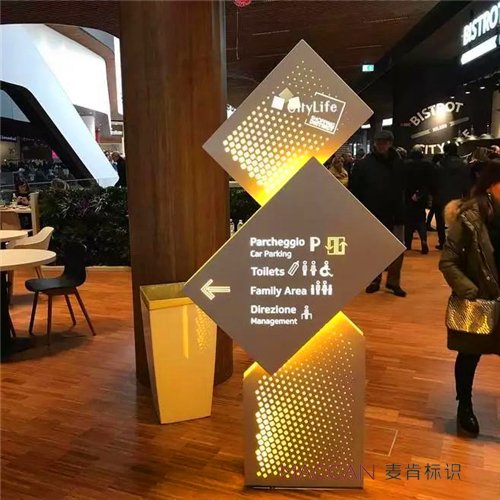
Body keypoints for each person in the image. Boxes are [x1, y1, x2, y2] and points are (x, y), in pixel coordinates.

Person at [439, 159, 500, 437]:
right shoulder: (470, 216)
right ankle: (464, 405)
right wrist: (469, 291)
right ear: (491, 184)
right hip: (480, 299)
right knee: (469, 354)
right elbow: (448, 261)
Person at [350, 130, 407, 297]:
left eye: (385, 142)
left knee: (397, 249)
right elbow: (355, 190)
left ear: (390, 143)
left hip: (396, 212)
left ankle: (393, 281)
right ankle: (374, 279)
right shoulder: (364, 164)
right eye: (379, 142)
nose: (382, 145)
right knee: (373, 248)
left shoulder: (399, 163)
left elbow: (404, 187)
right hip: (373, 212)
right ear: (374, 143)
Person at [432, 142, 469, 250]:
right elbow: (466, 183)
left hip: (441, 196)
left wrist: (434, 194)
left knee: (440, 221)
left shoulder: (439, 164)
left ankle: (442, 242)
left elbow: (434, 182)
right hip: (457, 197)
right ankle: (456, 243)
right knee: (457, 221)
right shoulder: (463, 165)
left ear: (445, 151)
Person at [404, 145, 432, 254]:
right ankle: (423, 240)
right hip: (422, 196)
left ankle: (408, 244)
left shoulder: (406, 164)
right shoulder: (427, 165)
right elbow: (429, 181)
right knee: (421, 220)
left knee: (409, 221)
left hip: (408, 196)